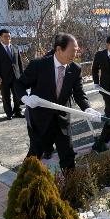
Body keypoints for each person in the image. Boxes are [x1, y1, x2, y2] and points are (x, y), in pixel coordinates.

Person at [15, 33, 101, 171]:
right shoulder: (39, 65)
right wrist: (26, 98)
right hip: (40, 119)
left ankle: (71, 187)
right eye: (72, 50)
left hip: (61, 119)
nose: (75, 54)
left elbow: (79, 93)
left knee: (68, 156)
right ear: (59, 49)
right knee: (35, 156)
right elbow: (19, 84)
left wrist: (87, 109)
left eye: (76, 50)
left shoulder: (75, 69)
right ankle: (24, 184)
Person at [0, 29, 24, 120]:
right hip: (3, 77)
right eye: (5, 36)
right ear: (0, 38)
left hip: (16, 76)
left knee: (17, 95)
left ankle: (17, 111)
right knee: (6, 96)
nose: (8, 38)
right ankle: (9, 113)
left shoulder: (15, 47)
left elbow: (19, 63)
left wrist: (22, 75)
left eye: (9, 36)